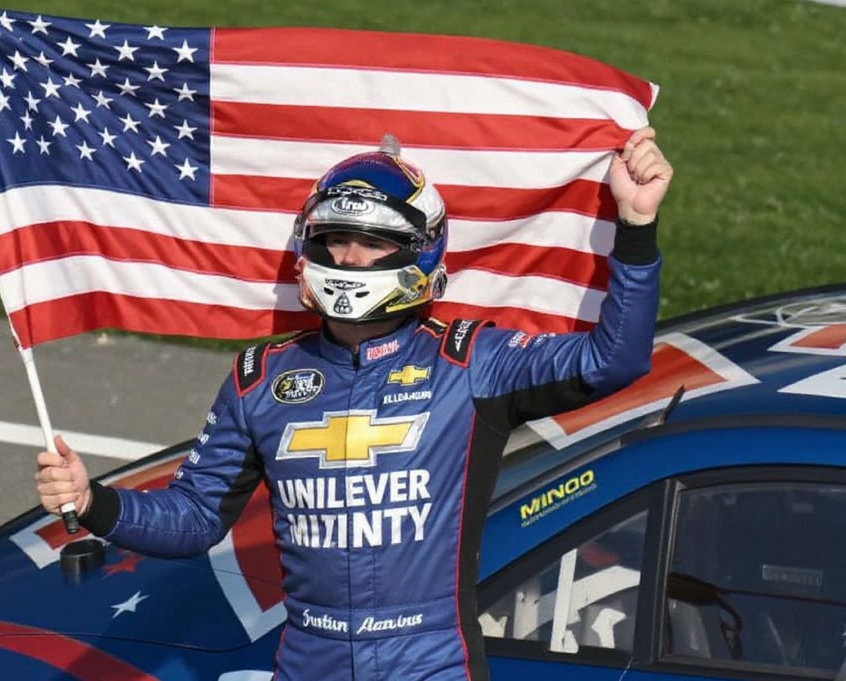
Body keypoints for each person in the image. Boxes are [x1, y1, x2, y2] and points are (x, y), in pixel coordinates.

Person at [35, 127, 673, 681]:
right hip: (310, 660)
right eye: (335, 238)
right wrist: (94, 502)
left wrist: (637, 226)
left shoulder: (470, 360)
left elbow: (613, 360)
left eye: (372, 241)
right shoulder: (260, 378)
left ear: (419, 249)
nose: (348, 257)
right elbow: (194, 519)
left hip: (430, 661)